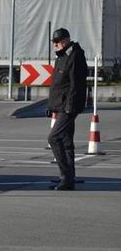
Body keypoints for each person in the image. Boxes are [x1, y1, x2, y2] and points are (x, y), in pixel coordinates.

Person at [46, 28, 88, 190]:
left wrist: (71, 107)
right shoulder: (62, 56)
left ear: (65, 41)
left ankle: (66, 176)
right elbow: (57, 85)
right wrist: (51, 106)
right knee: (66, 141)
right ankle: (68, 178)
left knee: (53, 138)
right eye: (54, 43)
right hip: (61, 105)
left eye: (56, 42)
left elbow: (75, 85)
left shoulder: (75, 56)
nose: (54, 45)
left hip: (69, 106)